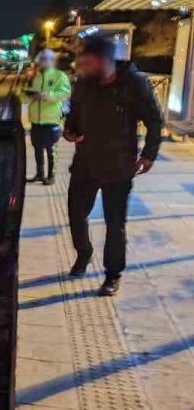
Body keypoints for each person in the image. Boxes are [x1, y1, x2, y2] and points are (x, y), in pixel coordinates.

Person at [62, 34, 163, 296]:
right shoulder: (84, 83)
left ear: (105, 60)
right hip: (85, 164)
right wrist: (69, 132)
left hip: (118, 166)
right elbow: (73, 117)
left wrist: (150, 153)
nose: (83, 66)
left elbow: (154, 120)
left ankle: (112, 275)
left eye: (88, 61)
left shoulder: (134, 83)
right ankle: (83, 255)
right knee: (75, 213)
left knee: (115, 223)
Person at [23, 48, 71, 184]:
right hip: (35, 120)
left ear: (52, 61)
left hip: (52, 120)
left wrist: (46, 95)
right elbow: (23, 97)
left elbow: (65, 93)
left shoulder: (59, 76)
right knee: (37, 148)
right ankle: (39, 174)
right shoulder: (33, 77)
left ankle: (51, 176)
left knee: (51, 150)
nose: (43, 62)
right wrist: (30, 97)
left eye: (46, 60)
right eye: (41, 59)